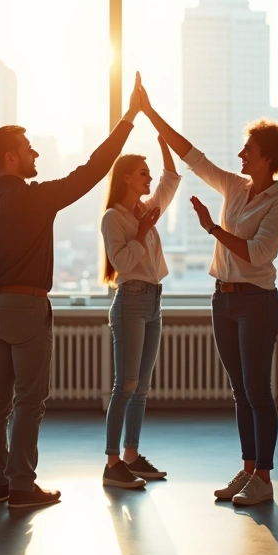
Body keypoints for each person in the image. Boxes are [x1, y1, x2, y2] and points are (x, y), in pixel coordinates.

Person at [0, 73, 146, 509]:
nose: (36, 153)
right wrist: (129, 118)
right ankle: (22, 486)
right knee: (29, 400)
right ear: (10, 158)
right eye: (28, 149)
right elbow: (95, 170)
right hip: (25, 307)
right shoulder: (35, 198)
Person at [141, 88, 278, 507]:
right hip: (223, 299)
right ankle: (248, 469)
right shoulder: (234, 186)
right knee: (239, 390)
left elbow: (258, 253)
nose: (240, 156)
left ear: (268, 157)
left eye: (248, 149)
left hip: (257, 302)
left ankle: (264, 478)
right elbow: (193, 156)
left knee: (257, 390)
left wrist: (213, 229)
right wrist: (150, 112)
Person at [99, 137, 182, 489]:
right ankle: (113, 462)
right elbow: (121, 262)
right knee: (126, 384)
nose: (148, 179)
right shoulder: (113, 218)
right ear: (126, 178)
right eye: (142, 173)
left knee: (142, 387)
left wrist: (164, 145)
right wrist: (144, 230)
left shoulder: (146, 208)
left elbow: (171, 180)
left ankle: (132, 457)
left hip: (153, 300)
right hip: (131, 300)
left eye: (149, 173)